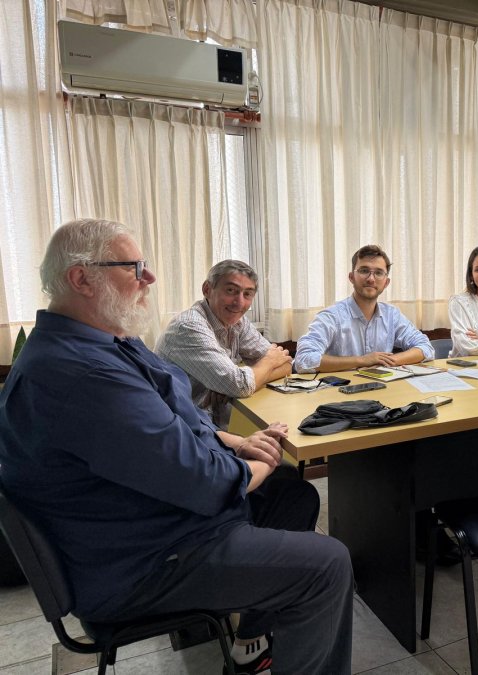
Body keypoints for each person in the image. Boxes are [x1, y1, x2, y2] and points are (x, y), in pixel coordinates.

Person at [0, 219, 353, 674]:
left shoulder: (106, 342)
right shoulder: (84, 375)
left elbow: (181, 417)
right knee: (327, 563)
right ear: (81, 278)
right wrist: (258, 462)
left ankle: (249, 642)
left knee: (292, 495)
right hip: (140, 562)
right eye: (133, 267)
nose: (149, 279)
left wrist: (236, 441)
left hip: (149, 521)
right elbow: (207, 482)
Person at [156, 260, 292, 429]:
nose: (239, 303)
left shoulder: (238, 323)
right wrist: (267, 364)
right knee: (273, 450)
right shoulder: (189, 326)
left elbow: (286, 365)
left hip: (210, 430)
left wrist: (230, 384)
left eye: (247, 294)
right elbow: (239, 385)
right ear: (207, 289)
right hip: (181, 432)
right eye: (231, 291)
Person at [293, 244, 434, 372]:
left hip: (380, 390)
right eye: (364, 270)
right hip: (338, 394)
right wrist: (361, 361)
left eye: (378, 273)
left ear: (386, 283)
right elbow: (303, 359)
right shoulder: (331, 317)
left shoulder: (392, 314)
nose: (371, 279)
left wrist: (387, 361)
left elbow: (426, 348)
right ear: (351, 277)